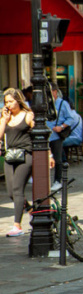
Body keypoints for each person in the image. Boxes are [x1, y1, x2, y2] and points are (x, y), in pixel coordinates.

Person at [1, 88, 34, 237]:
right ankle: (32, 210)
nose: (8, 105)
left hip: (25, 155)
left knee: (17, 189)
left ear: (18, 101)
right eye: (6, 102)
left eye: (11, 101)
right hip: (10, 156)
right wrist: (4, 120)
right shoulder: (5, 117)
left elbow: (41, 136)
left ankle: (17, 226)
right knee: (10, 192)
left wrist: (49, 154)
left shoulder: (27, 115)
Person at [47, 82, 74, 190]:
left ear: (54, 92)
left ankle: (57, 181)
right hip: (45, 136)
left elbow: (70, 118)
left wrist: (61, 127)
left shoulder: (63, 104)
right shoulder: (45, 104)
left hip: (56, 136)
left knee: (57, 159)